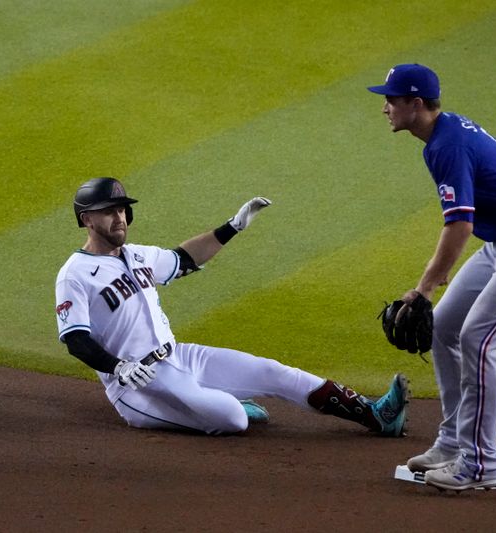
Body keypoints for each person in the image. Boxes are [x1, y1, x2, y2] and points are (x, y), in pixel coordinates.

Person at [55, 177, 409, 436]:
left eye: (122, 210)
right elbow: (75, 338)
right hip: (137, 387)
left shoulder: (139, 254)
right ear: (86, 219)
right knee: (233, 419)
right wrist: (118, 368)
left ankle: (375, 414)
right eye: (107, 212)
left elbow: (184, 258)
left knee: (274, 372)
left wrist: (233, 227)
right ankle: (222, 402)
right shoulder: (75, 274)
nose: (119, 218)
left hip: (179, 356)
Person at [367, 64, 496, 490]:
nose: (385, 107)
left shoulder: (447, 144)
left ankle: (482, 462)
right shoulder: (440, 137)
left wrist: (425, 287)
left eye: (392, 99)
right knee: (444, 327)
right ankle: (452, 443)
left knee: (480, 341)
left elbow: (460, 224)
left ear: (417, 103)